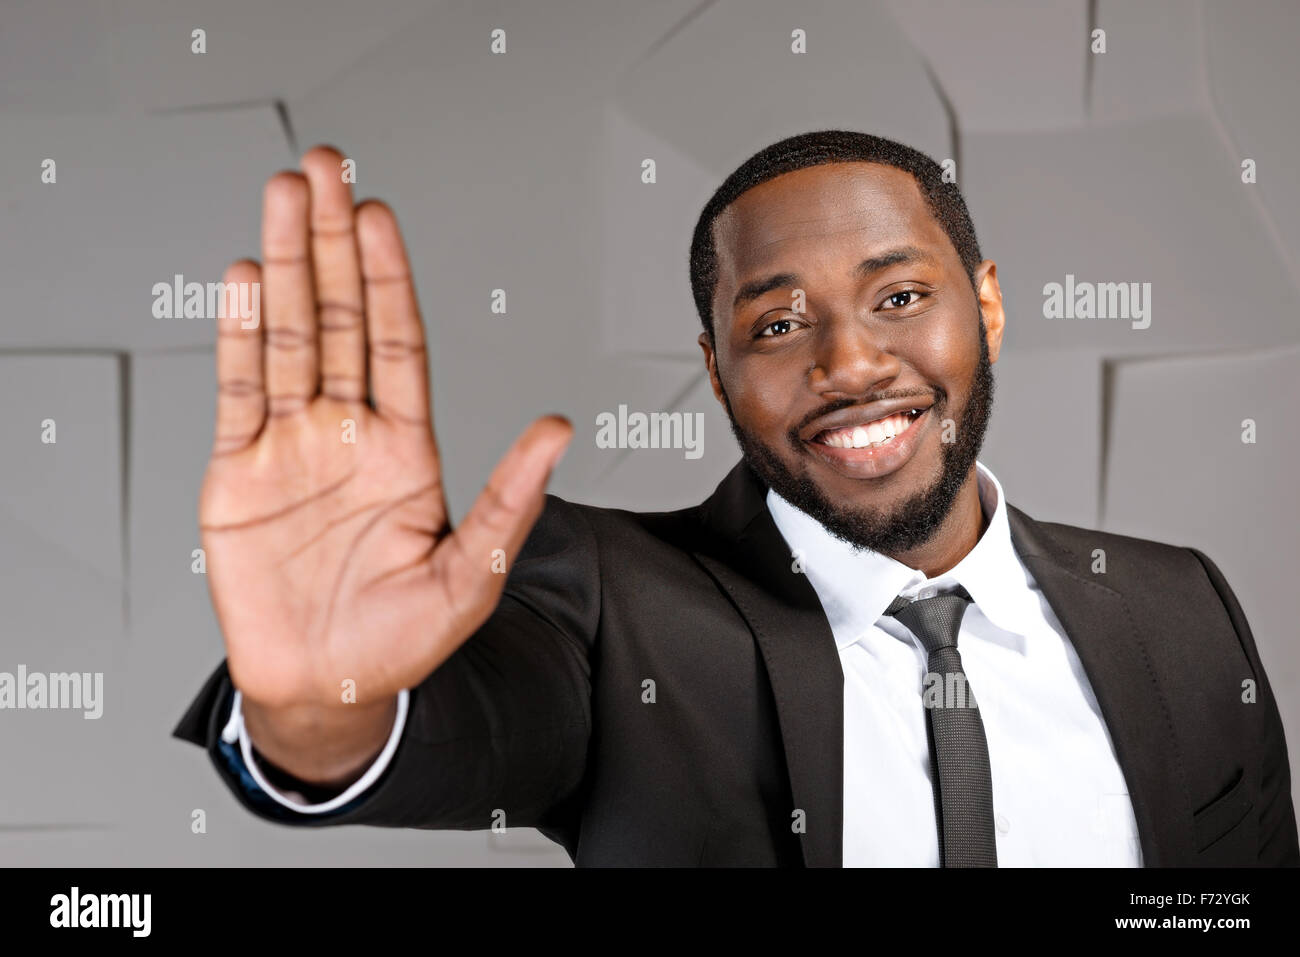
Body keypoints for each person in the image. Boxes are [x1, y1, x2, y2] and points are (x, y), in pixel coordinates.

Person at [174, 130, 1298, 866]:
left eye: (900, 294)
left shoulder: (1177, 608)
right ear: (714, 370)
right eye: (775, 323)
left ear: (988, 307)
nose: (850, 364)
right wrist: (326, 706)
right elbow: (469, 734)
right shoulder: (616, 601)